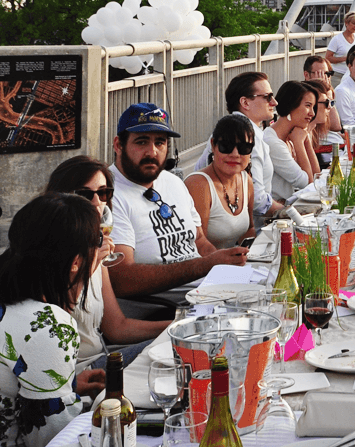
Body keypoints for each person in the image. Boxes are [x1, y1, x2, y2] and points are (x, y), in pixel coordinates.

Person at [44, 156, 171, 380]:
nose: (96, 203)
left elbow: (117, 327)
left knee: (179, 342)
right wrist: (88, 268)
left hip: (104, 356)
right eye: (84, 194)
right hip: (76, 374)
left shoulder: (95, 249)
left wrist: (175, 325)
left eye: (103, 193)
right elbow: (51, 328)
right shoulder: (47, 254)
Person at [108, 103, 250, 301]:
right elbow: (123, 280)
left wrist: (225, 263)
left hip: (206, 292)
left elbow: (199, 240)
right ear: (118, 145)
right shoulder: (106, 195)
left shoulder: (173, 182)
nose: (152, 152)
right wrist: (206, 265)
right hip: (165, 310)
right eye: (141, 142)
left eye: (160, 143)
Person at [0, 193, 101, 447]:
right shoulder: (47, 325)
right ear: (76, 262)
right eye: (98, 240)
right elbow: (55, 437)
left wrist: (68, 386)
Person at [195, 72, 286, 225]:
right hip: (236, 232)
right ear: (245, 102)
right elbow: (256, 200)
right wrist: (289, 211)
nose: (274, 102)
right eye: (268, 97)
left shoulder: (238, 128)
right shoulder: (246, 136)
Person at [185, 115, 255, 248]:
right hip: (207, 266)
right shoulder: (199, 184)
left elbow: (249, 230)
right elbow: (198, 245)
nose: (235, 154)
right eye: (226, 146)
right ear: (213, 145)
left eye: (244, 148)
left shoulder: (246, 180)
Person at [263, 81, 319, 201]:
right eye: (308, 106)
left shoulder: (293, 135)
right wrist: (299, 144)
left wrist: (306, 140)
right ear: (291, 105)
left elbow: (316, 177)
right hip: (275, 214)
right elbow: (307, 183)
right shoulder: (272, 142)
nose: (312, 113)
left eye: (313, 107)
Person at [325, 13, 355, 80]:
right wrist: (346, 58)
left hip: (353, 76)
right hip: (337, 75)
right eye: (354, 23)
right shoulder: (336, 39)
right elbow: (328, 58)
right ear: (346, 23)